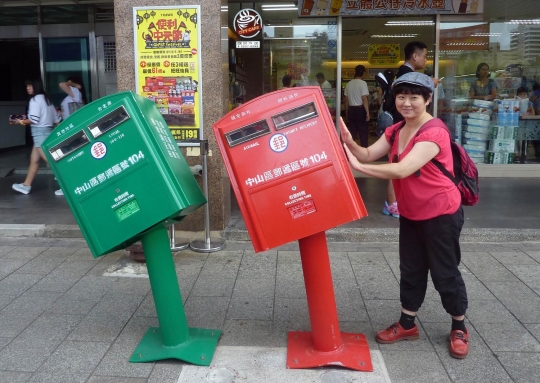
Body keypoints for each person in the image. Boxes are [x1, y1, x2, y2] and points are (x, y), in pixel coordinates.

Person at [341, 72, 469, 360]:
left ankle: (459, 326)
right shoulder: (397, 130)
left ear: (427, 99)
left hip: (441, 213)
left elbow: (401, 169)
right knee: (411, 269)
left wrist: (358, 169)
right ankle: (407, 324)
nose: (407, 103)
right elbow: (367, 153)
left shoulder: (434, 131)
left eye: (414, 97)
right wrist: (350, 143)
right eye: (401, 96)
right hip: (411, 213)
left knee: (444, 272)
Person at [12, 79, 61, 195]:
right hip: (47, 132)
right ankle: (26, 185)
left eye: (30, 86)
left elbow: (34, 119)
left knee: (51, 162)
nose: (27, 88)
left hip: (39, 134)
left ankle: (67, 186)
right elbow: (56, 119)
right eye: (27, 86)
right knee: (34, 160)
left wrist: (21, 122)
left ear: (36, 86)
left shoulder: (34, 100)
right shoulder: (47, 100)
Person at [55, 76, 87, 196]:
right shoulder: (73, 95)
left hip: (73, 131)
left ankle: (68, 187)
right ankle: (69, 185)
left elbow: (62, 84)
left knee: (69, 158)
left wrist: (74, 84)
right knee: (71, 158)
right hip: (71, 130)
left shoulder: (75, 91)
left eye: (69, 81)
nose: (67, 84)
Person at [344, 65, 370, 147]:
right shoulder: (363, 83)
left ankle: (350, 151)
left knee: (352, 133)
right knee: (363, 133)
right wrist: (367, 113)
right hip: (360, 110)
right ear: (363, 73)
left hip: (351, 110)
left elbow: (346, 100)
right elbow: (364, 98)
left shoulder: (349, 83)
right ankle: (364, 151)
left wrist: (347, 111)